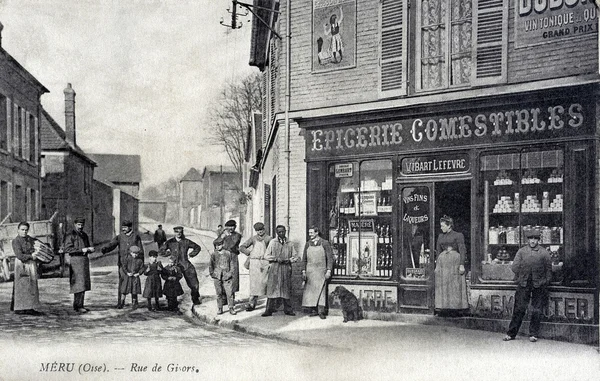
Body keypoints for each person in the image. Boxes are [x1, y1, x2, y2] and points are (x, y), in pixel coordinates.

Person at [503, 229, 552, 343]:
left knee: (536, 309)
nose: (533, 241)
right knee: (519, 308)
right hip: (523, 283)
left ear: (538, 240)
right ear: (528, 240)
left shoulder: (544, 253)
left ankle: (533, 334)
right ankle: (511, 333)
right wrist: (522, 276)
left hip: (538, 285)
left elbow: (549, 271)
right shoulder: (521, 252)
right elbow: (514, 267)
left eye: (535, 239)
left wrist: (544, 281)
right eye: (531, 239)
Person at [101, 220, 144, 308]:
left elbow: (141, 250)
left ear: (130, 228)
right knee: (122, 282)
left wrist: (141, 263)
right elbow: (112, 244)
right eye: (122, 227)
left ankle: (134, 302)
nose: (123, 229)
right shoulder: (120, 237)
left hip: (134, 264)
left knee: (134, 282)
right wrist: (105, 249)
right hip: (123, 264)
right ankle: (120, 302)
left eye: (125, 227)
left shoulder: (136, 236)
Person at [262, 225, 299, 317]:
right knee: (272, 288)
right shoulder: (272, 242)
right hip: (275, 268)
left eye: (283, 231)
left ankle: (288, 309)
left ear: (285, 231)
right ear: (276, 233)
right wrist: (275, 258)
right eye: (279, 232)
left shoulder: (290, 243)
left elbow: (295, 256)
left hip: (286, 268)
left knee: (286, 288)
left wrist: (290, 260)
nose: (281, 233)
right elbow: (266, 255)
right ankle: (269, 310)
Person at [434, 215, 468, 316]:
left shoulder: (458, 235)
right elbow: (438, 251)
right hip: (443, 262)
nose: (441, 228)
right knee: (443, 284)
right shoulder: (440, 236)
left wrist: (462, 264)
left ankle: (455, 308)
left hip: (454, 262)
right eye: (441, 226)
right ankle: (444, 307)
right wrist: (437, 266)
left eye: (443, 226)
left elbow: (462, 250)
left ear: (449, 226)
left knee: (454, 284)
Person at [159, 226, 202, 305]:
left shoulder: (186, 241)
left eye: (180, 232)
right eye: (177, 232)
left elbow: (197, 247)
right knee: (171, 282)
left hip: (185, 264)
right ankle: (171, 301)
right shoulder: (170, 242)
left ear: (182, 232)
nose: (178, 233)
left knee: (194, 282)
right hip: (174, 265)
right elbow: (161, 251)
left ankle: (195, 298)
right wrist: (168, 253)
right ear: (174, 232)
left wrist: (191, 255)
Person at [10, 222, 44, 316]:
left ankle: (31, 307)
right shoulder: (16, 241)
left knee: (32, 285)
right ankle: (20, 308)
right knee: (22, 286)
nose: (24, 232)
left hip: (31, 263)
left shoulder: (30, 239)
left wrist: (38, 251)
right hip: (22, 264)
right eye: (22, 230)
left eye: (26, 230)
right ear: (18, 230)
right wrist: (31, 256)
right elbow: (19, 255)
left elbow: (38, 246)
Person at [63, 218, 94, 313]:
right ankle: (77, 305)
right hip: (76, 261)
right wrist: (81, 250)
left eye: (82, 225)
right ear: (75, 224)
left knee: (83, 284)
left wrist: (90, 249)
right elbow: (67, 249)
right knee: (78, 284)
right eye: (79, 225)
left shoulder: (84, 235)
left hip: (84, 261)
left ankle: (80, 304)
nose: (80, 227)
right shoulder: (70, 235)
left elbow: (87, 245)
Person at [301, 226, 333, 319]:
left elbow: (330, 258)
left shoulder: (325, 243)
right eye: (309, 233)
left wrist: (329, 270)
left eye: (311, 233)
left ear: (316, 233)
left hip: (321, 271)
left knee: (321, 291)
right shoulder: (308, 244)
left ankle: (321, 311)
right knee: (311, 292)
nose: (309, 234)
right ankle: (314, 310)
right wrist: (303, 271)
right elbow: (304, 259)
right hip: (310, 271)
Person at [239, 222, 272, 311]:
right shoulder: (253, 239)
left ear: (264, 229)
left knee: (267, 284)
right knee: (254, 285)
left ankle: (270, 306)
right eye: (258, 231)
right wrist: (249, 253)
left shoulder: (269, 239)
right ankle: (252, 304)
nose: (260, 232)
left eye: (261, 230)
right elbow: (241, 247)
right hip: (254, 264)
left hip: (265, 263)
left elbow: (272, 251)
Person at [209, 237, 236, 315]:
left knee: (229, 293)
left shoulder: (228, 253)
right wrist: (212, 274)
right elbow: (211, 265)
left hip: (227, 276)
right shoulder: (213, 254)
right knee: (219, 293)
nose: (218, 247)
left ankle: (231, 308)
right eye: (216, 245)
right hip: (217, 276)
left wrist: (230, 273)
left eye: (219, 245)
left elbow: (232, 264)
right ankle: (220, 308)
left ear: (223, 244)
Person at [221, 219, 242, 301]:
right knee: (223, 276)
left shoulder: (237, 235)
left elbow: (232, 245)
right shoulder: (223, 234)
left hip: (233, 258)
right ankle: (223, 297)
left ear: (235, 227)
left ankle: (231, 297)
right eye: (228, 226)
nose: (230, 228)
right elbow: (216, 243)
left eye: (232, 226)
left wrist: (226, 236)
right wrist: (221, 236)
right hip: (223, 257)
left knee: (233, 277)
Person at [118, 245, 144, 309]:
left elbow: (142, 268)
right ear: (130, 252)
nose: (135, 255)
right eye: (133, 253)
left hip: (135, 277)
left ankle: (134, 303)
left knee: (134, 291)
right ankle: (122, 302)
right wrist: (127, 273)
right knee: (124, 290)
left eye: (136, 253)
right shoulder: (127, 259)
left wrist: (138, 273)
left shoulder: (139, 260)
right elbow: (124, 266)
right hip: (127, 277)